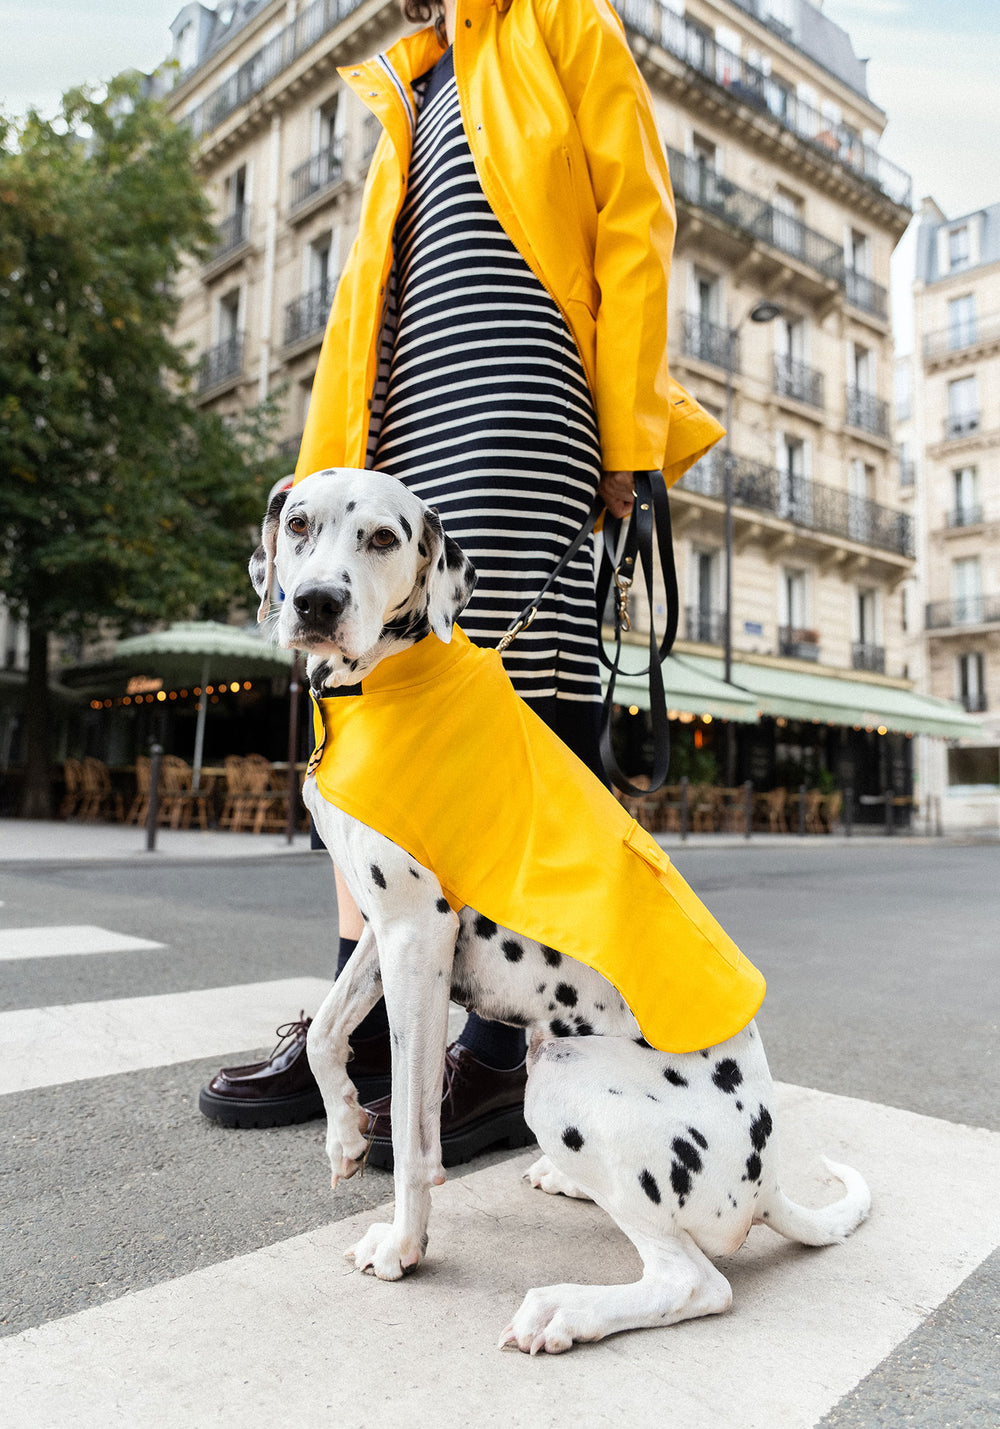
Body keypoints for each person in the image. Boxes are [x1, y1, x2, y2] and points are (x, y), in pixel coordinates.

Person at [198, 0, 723, 1162]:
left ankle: (493, 1055)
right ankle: (374, 1020)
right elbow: (368, 299)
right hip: (402, 427)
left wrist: (627, 435)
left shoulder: (561, 23)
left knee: (513, 701)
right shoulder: (414, 70)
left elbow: (637, 217)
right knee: (375, 718)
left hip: (525, 404)